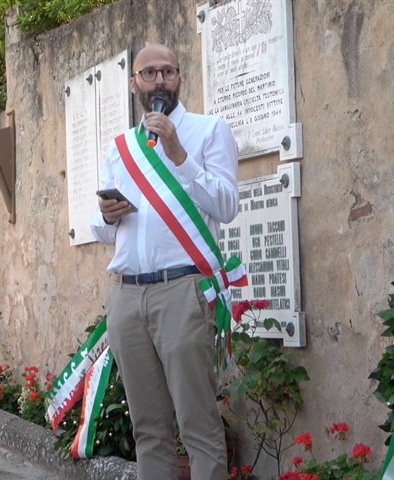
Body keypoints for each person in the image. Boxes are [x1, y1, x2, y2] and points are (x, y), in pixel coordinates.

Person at [90, 44, 240, 480]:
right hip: (127, 294)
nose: (159, 81)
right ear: (134, 82)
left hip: (183, 291)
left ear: (179, 77)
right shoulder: (121, 147)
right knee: (148, 429)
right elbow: (102, 229)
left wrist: (179, 156)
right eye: (148, 73)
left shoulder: (209, 130)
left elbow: (227, 204)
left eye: (167, 72)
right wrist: (105, 216)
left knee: (197, 424)